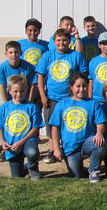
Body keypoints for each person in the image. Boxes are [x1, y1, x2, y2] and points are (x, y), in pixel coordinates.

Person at [36, 29, 88, 163]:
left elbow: (84, 76)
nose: (61, 43)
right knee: (52, 126)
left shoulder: (76, 56)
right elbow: (41, 77)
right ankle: (54, 151)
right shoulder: (47, 56)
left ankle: (71, 151)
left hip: (70, 98)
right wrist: (42, 95)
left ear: (69, 41)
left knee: (70, 124)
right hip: (52, 98)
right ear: (54, 42)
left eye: (64, 40)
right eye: (58, 40)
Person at [49, 72, 107, 182]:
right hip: (70, 147)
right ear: (71, 87)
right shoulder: (62, 104)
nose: (81, 89)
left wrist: (99, 133)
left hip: (87, 143)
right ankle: (81, 170)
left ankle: (93, 170)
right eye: (78, 86)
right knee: (77, 177)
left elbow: (100, 123)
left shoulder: (93, 103)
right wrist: (56, 149)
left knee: (100, 143)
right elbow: (55, 128)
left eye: (84, 86)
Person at [0, 75, 43, 179]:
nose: (19, 94)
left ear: (26, 91)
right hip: (12, 145)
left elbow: (35, 128)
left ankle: (33, 168)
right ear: (9, 91)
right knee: (17, 177)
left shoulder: (32, 107)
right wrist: (3, 142)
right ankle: (24, 168)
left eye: (22, 91)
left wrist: (21, 142)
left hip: (27, 141)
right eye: (15, 91)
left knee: (32, 153)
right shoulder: (4, 108)